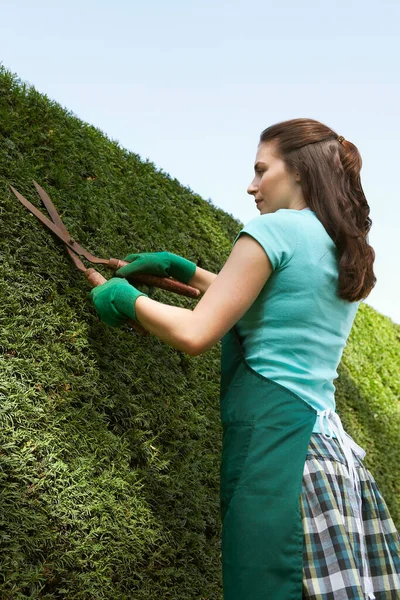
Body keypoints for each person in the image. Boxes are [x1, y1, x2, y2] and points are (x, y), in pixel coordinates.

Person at [90, 118, 400, 600]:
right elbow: (271, 305)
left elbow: (196, 332)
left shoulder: (273, 231)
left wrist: (121, 298)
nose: (251, 186)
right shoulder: (337, 246)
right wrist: (185, 271)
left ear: (298, 171)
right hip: (332, 462)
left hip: (279, 455)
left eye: (261, 169)